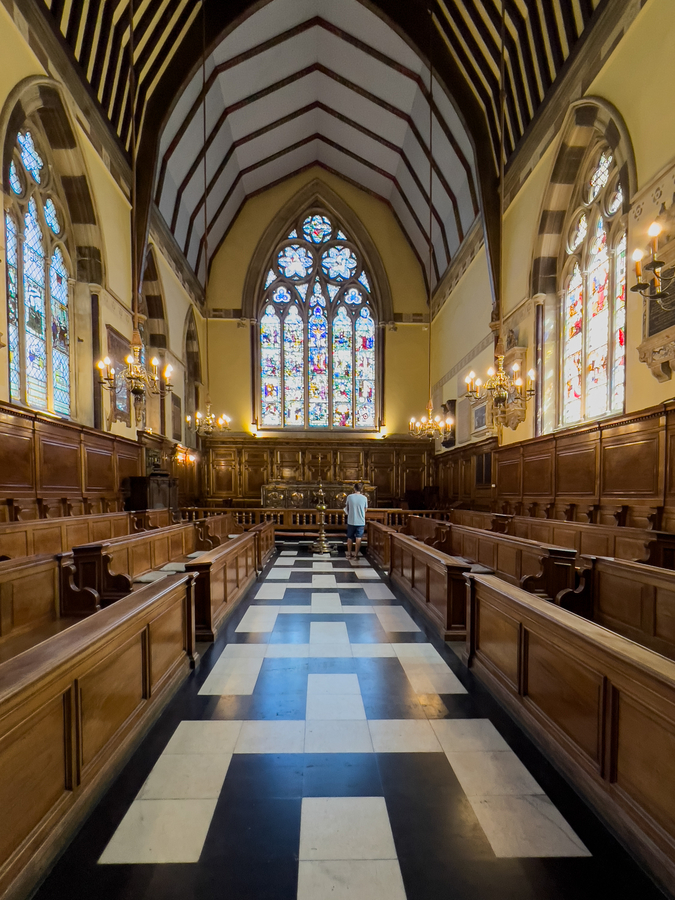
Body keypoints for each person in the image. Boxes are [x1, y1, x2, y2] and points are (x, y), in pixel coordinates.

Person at [344, 482, 368, 559]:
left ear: (354, 489)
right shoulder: (364, 498)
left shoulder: (349, 497)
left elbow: (347, 508)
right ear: (361, 489)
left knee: (350, 537)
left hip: (351, 520)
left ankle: (349, 553)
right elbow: (365, 509)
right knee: (358, 537)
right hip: (360, 521)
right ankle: (356, 554)